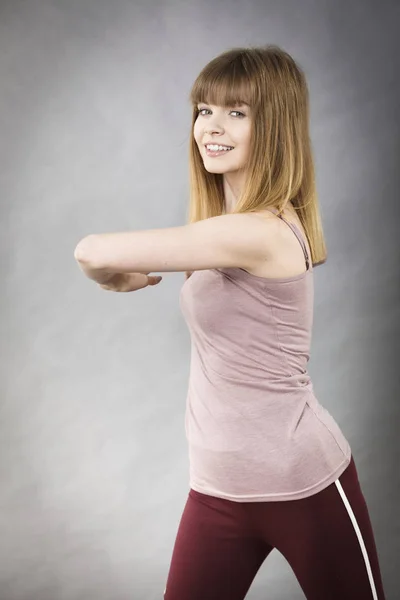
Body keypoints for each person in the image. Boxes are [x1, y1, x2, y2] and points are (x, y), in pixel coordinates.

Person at [74, 45, 386, 599]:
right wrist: (111, 274)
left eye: (236, 112)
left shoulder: (258, 231)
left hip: (304, 484)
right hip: (218, 490)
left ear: (274, 126)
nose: (210, 127)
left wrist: (112, 277)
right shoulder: (221, 226)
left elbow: (90, 249)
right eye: (203, 109)